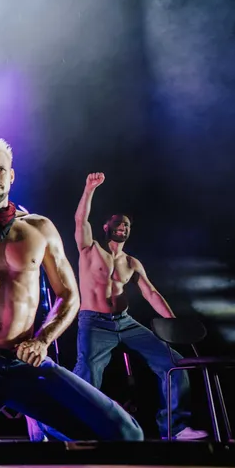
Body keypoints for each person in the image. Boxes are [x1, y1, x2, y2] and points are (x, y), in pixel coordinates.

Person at [0, 35, 143, 442]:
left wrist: (43, 340)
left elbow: (69, 297)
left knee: (124, 434)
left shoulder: (39, 229)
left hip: (25, 359)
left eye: (0, 169)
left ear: (12, 175)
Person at [72, 172, 207, 440]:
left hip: (125, 322)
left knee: (175, 364)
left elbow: (151, 293)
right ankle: (80, 428)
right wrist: (89, 189)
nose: (123, 227)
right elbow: (80, 219)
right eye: (118, 223)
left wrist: (174, 323)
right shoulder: (90, 249)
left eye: (127, 225)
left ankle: (175, 429)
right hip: (94, 322)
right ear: (106, 227)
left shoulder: (132, 263)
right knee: (87, 373)